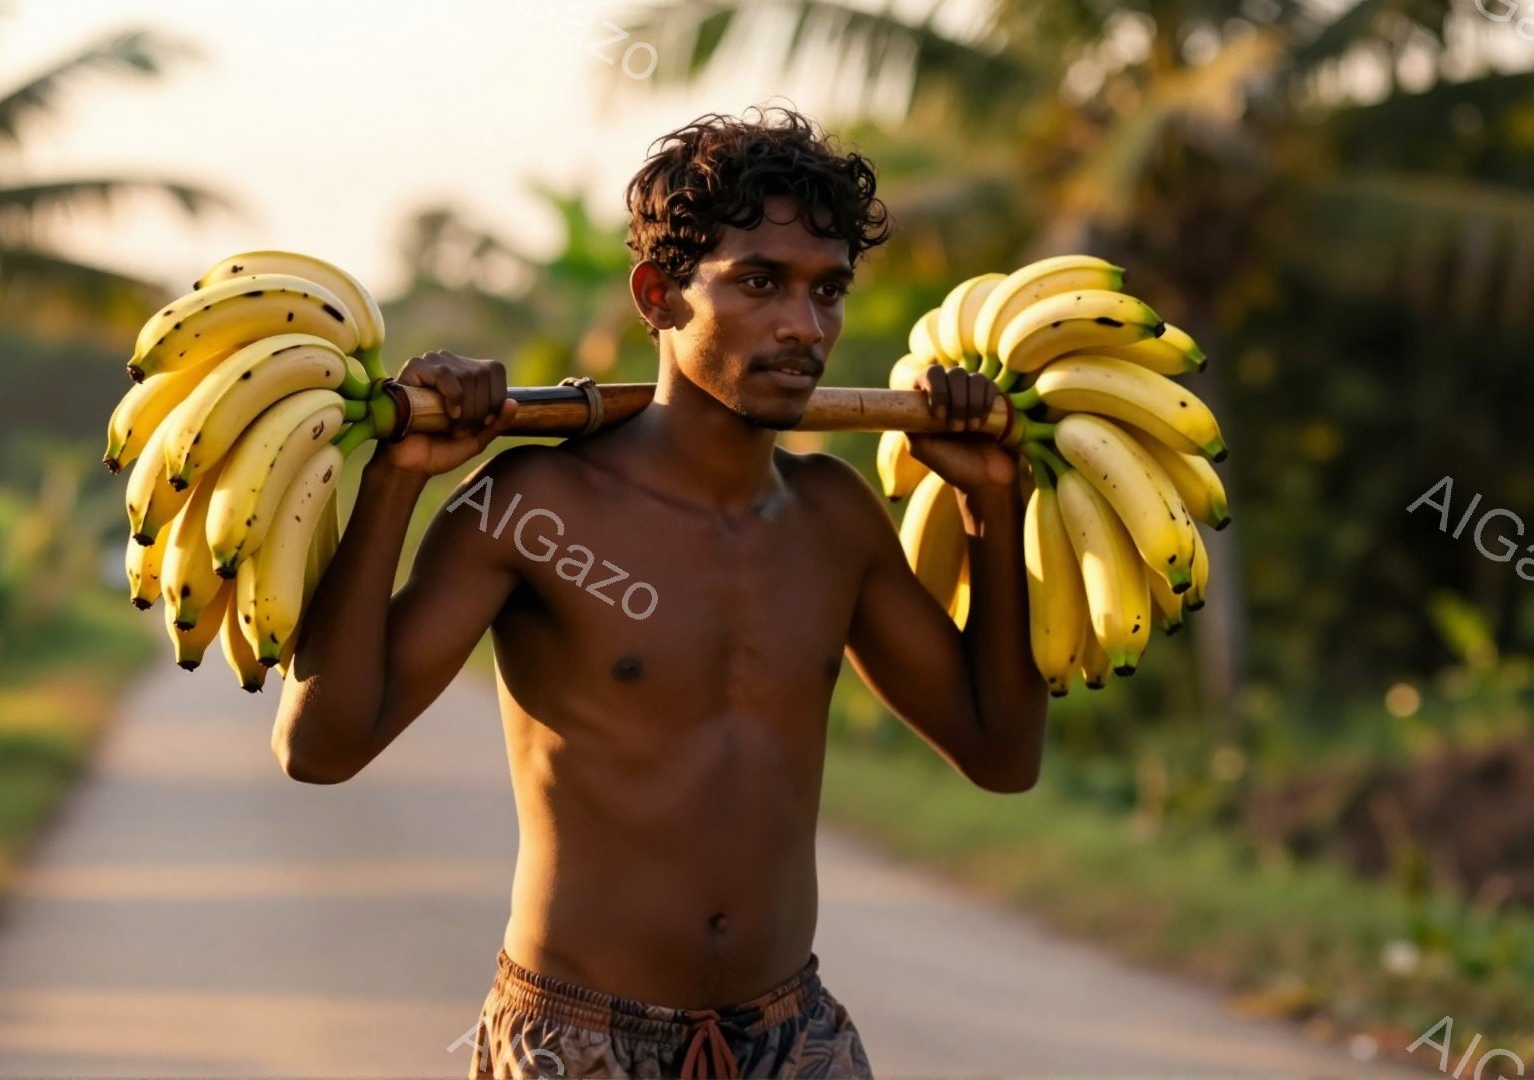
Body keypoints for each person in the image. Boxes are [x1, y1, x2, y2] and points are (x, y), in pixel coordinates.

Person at [271, 105, 1049, 1079]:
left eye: (827, 290)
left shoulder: (834, 520)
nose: (804, 328)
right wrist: (398, 477)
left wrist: (995, 506)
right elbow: (320, 747)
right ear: (658, 295)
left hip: (791, 1038)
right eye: (760, 282)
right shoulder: (534, 506)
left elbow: (1002, 753)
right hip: (579, 1041)